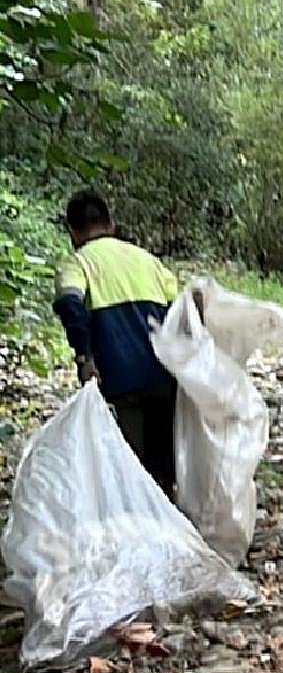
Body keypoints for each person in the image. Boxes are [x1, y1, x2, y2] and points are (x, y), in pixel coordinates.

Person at [52, 190, 180, 496]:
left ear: (72, 232)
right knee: (163, 463)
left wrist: (84, 356)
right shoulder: (147, 260)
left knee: (131, 463)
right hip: (164, 373)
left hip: (121, 378)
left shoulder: (77, 264)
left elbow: (70, 303)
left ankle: (138, 514)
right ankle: (168, 511)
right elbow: (180, 312)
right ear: (111, 224)